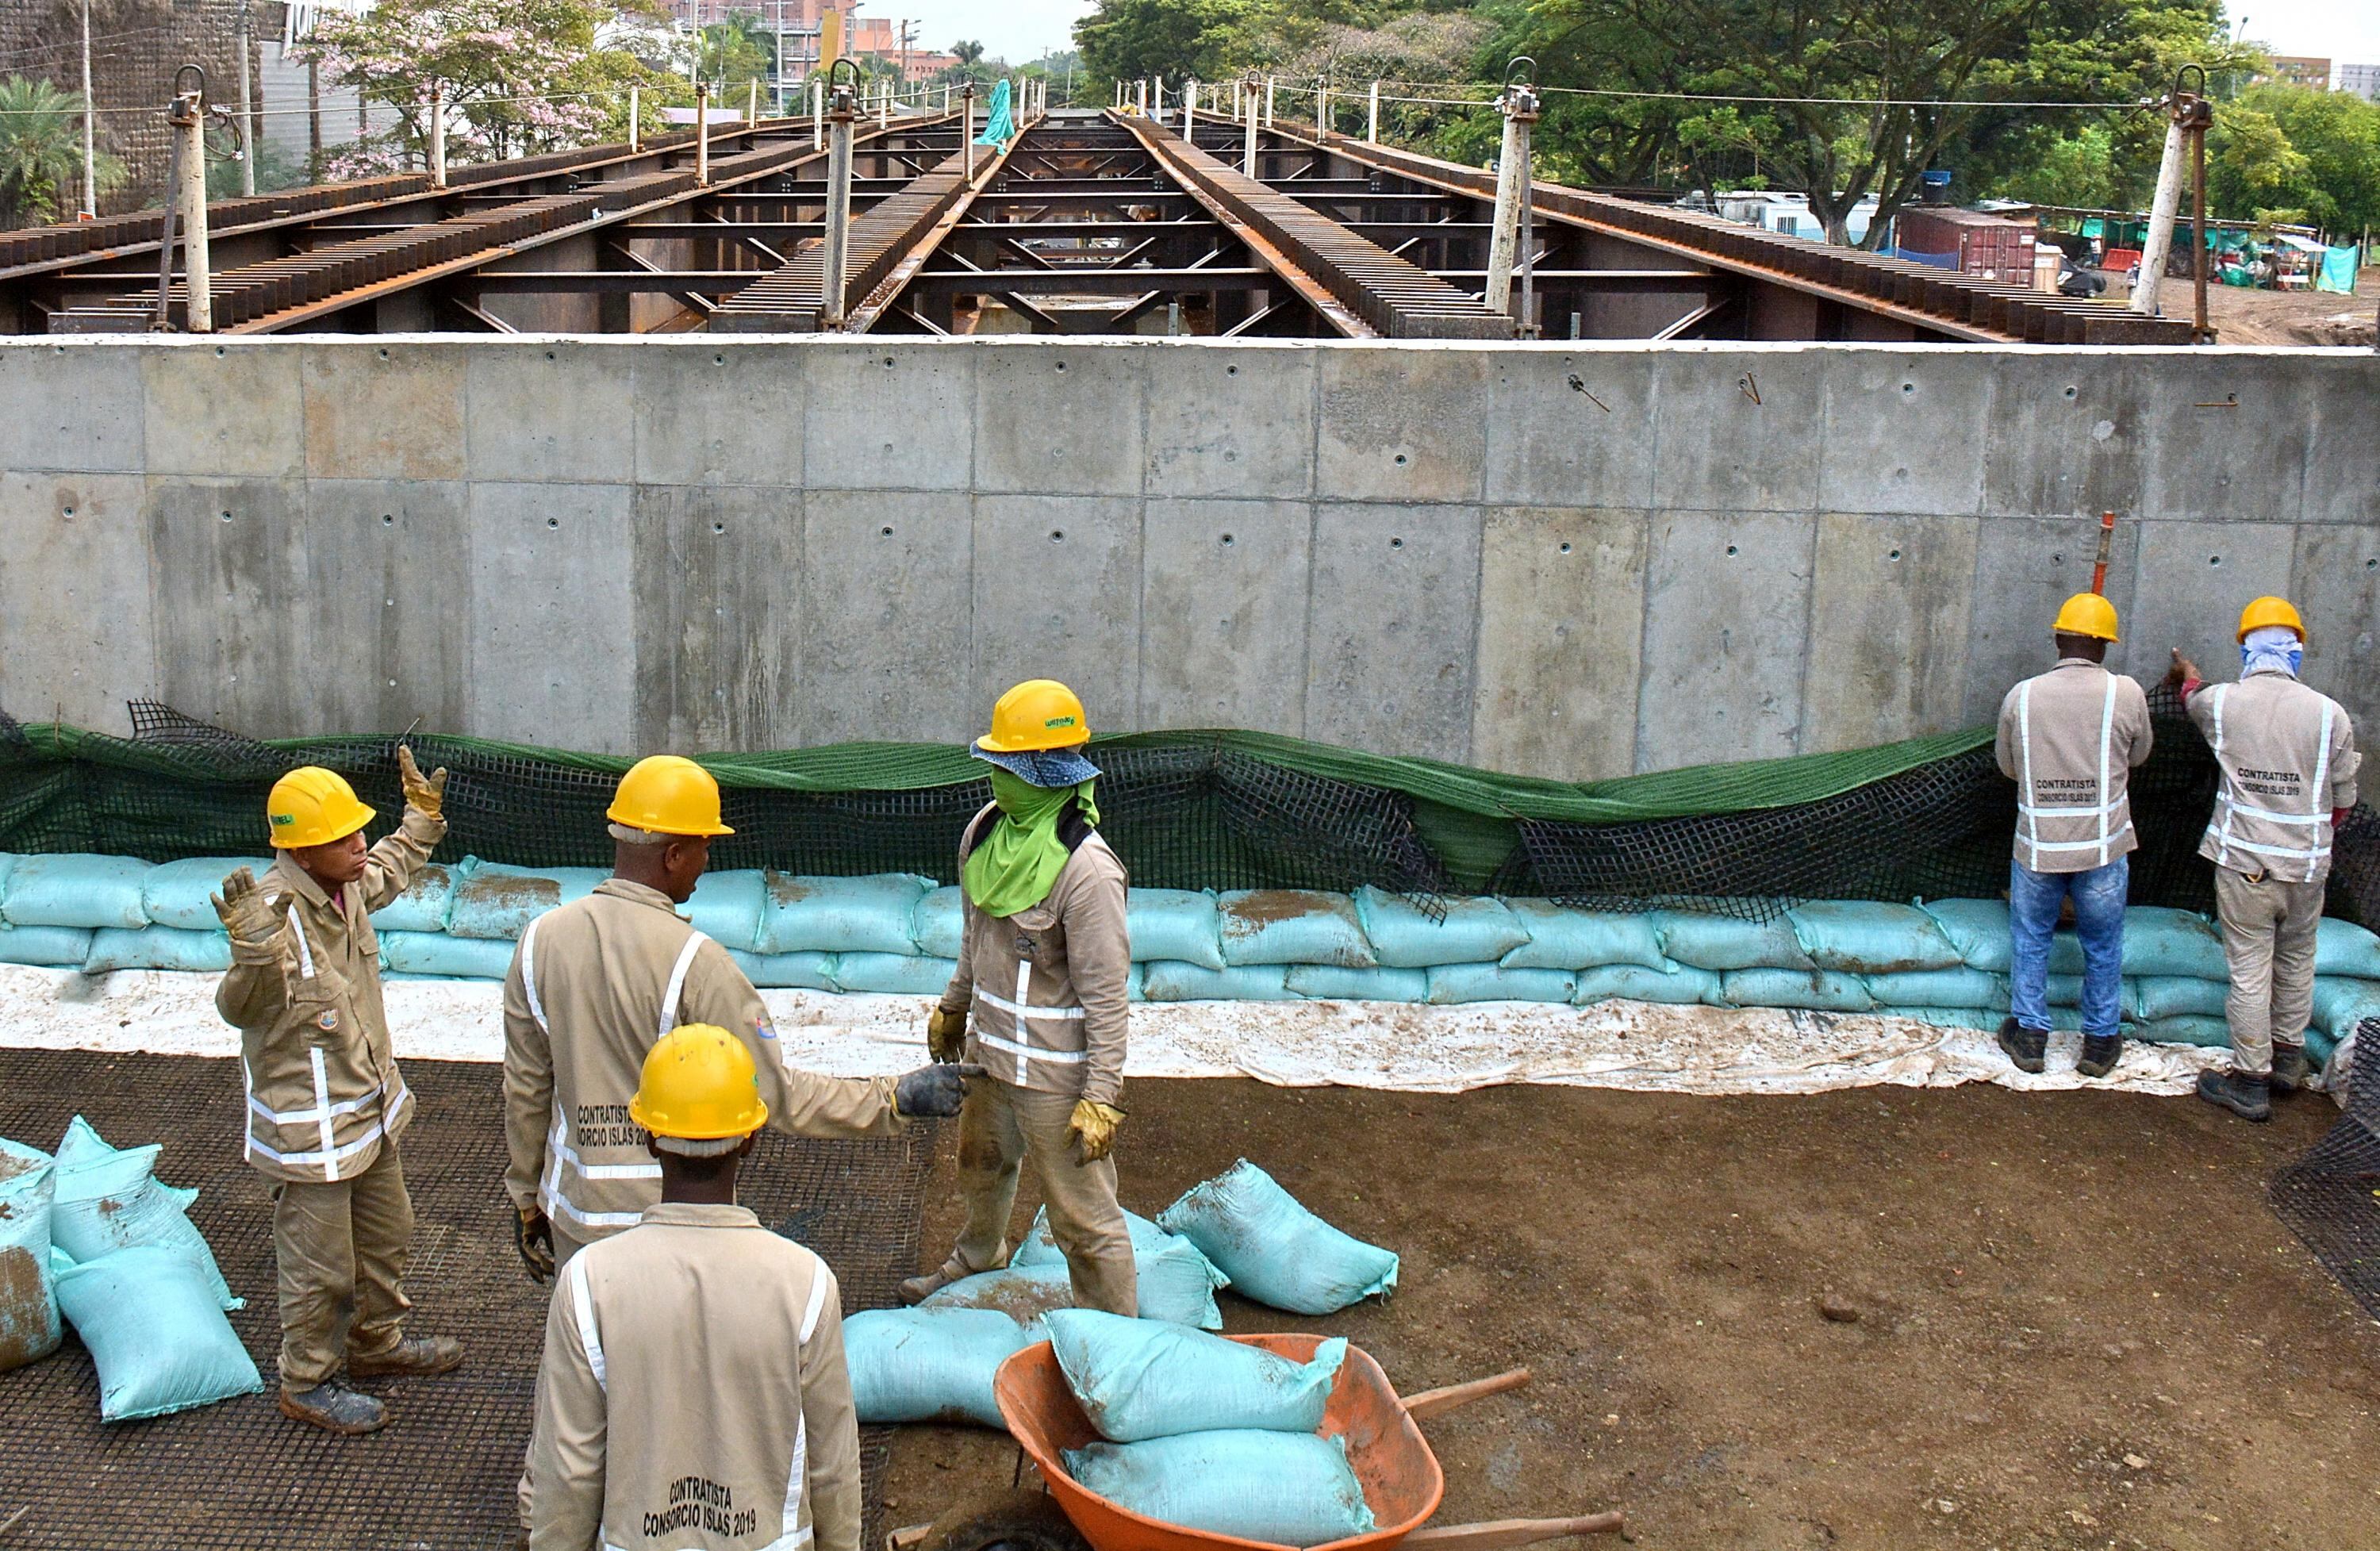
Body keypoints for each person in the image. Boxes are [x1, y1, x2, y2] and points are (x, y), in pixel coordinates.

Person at [503, 754, 977, 1275]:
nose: (708, 862)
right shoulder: (696, 965)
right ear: (675, 854)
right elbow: (774, 1093)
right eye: (705, 846)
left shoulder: (536, 942)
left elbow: (526, 1087)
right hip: (667, 1226)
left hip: (574, 1217)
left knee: (590, 1347)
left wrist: (527, 1195)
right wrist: (893, 1097)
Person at [525, 1023, 864, 1551]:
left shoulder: (590, 1285)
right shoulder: (806, 1284)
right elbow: (833, 1466)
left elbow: (568, 1472)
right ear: (751, 1138)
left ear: (648, 1135)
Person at [212, 748, 462, 1435]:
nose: (359, 846)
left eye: (358, 832)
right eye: (343, 838)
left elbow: (387, 867)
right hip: (310, 1132)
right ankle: (308, 1380)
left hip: (368, 1113)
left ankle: (376, 1345)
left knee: (388, 1238)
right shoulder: (270, 916)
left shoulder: (344, 884)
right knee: (320, 1269)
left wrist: (421, 819)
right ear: (301, 850)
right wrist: (253, 957)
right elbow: (241, 1007)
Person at [900, 680, 1136, 1316]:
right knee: (979, 1167)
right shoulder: (984, 835)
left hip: (1055, 1079)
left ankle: (1118, 1341)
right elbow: (975, 936)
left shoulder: (1087, 871)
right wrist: (955, 1006)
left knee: (1082, 1219)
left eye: (1009, 767)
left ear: (1046, 771)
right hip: (989, 1059)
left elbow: (1108, 996)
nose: (997, 781)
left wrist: (1101, 1095)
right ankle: (978, 1257)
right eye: (996, 765)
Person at [2168, 597, 2361, 1121]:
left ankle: (2251, 1079)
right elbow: (2343, 800)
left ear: (2246, 648)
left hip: (2247, 864)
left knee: (2251, 966)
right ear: (2296, 651)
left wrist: (2187, 674)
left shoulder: (2226, 702)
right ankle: (2288, 1061)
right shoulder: (2329, 714)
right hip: (2306, 869)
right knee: (2297, 959)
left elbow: (2191, 698)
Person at [1992, 593, 2154, 1080]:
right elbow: (2140, 755)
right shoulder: (2126, 694)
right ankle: (2100, 1043)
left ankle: (2032, 1037)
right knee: (2103, 944)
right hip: (2102, 846)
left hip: (2040, 845)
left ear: (2059, 638)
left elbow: (2008, 767)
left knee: (2031, 938)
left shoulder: (2022, 696)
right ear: (2104, 645)